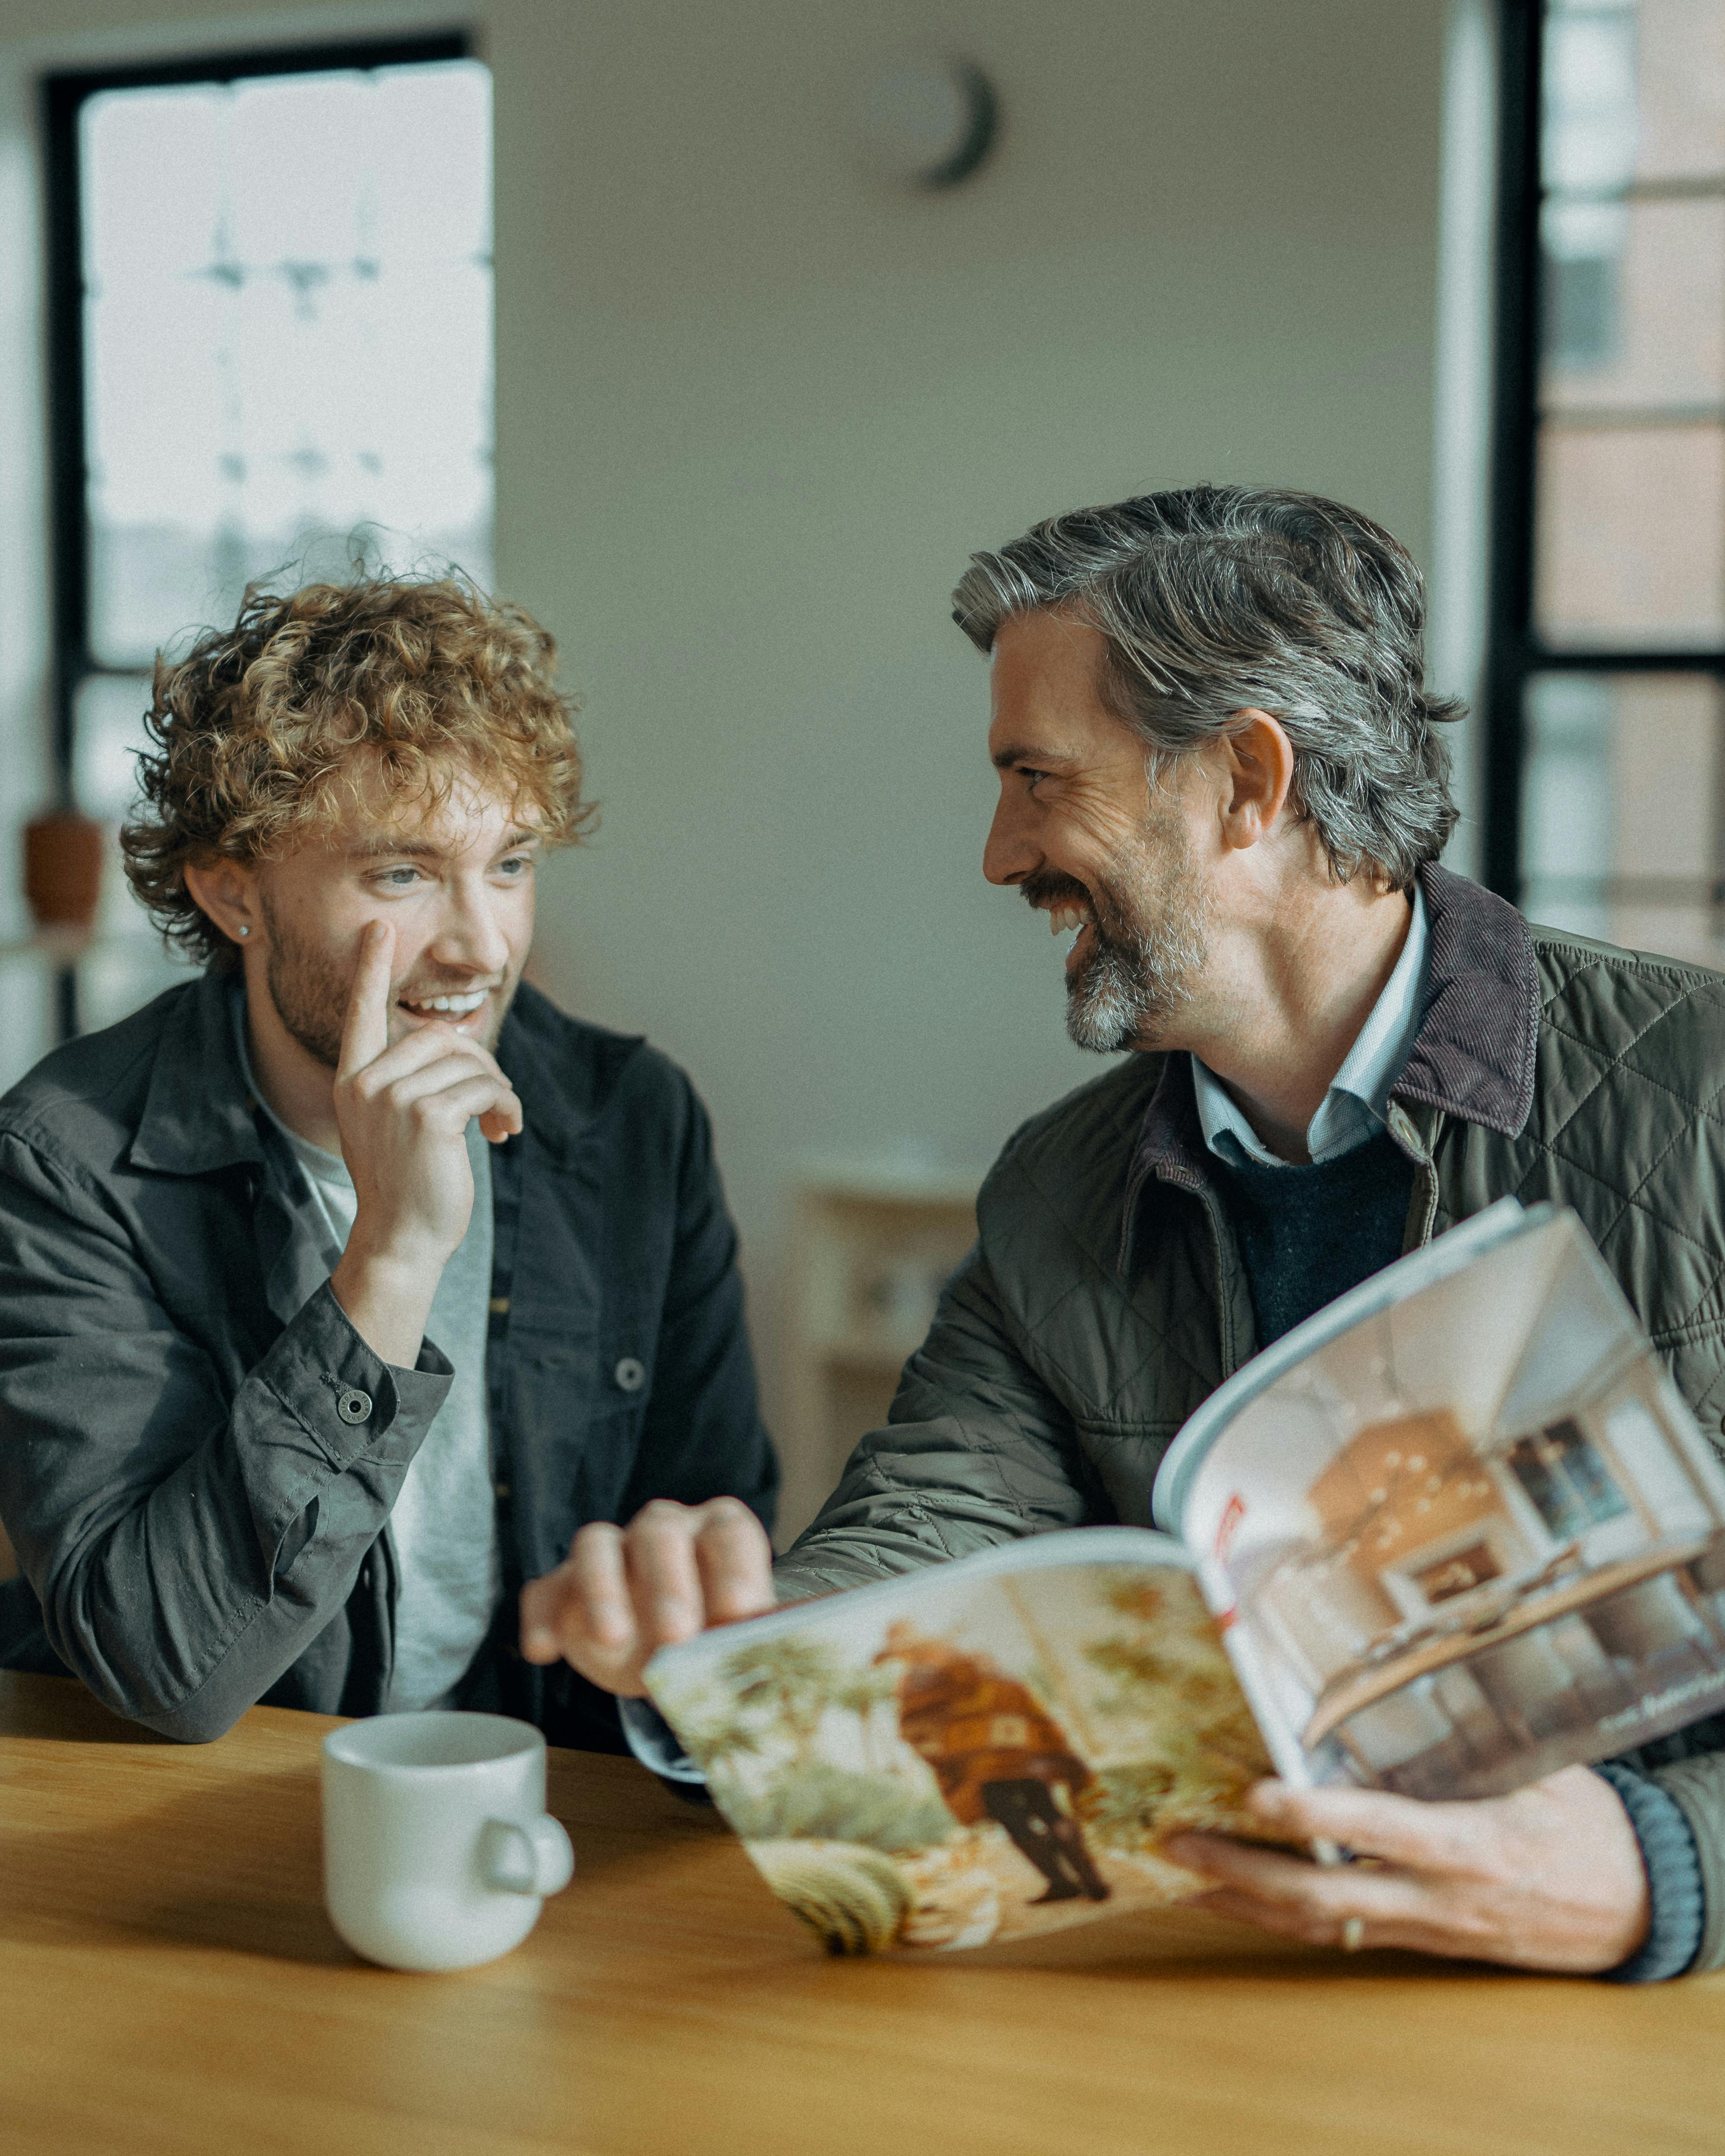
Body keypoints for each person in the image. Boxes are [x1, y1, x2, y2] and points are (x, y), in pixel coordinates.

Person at [525, 486, 1725, 1981]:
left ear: (1244, 781)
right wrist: (732, 1649)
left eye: (1037, 777)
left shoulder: (1698, 1097)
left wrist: (1658, 1863)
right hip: (1224, 1988)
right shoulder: (1054, 1192)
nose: (994, 852)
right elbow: (918, 1545)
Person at [0, 574, 776, 1751]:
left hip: (524, 1791)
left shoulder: (631, 1123)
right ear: (231, 890)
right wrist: (392, 1258)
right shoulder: (70, 1159)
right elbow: (163, 1667)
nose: (481, 946)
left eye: (509, 865)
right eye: (403, 874)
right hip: (193, 1815)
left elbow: (712, 1538)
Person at [876, 1621, 1109, 1905]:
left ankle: (1061, 1883)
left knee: (1014, 1821)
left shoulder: (920, 1678)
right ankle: (1093, 1881)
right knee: (1049, 1811)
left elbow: (917, 1725)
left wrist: (953, 1755)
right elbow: (1018, 1697)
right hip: (1024, 1753)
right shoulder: (977, 1663)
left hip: (981, 1765)